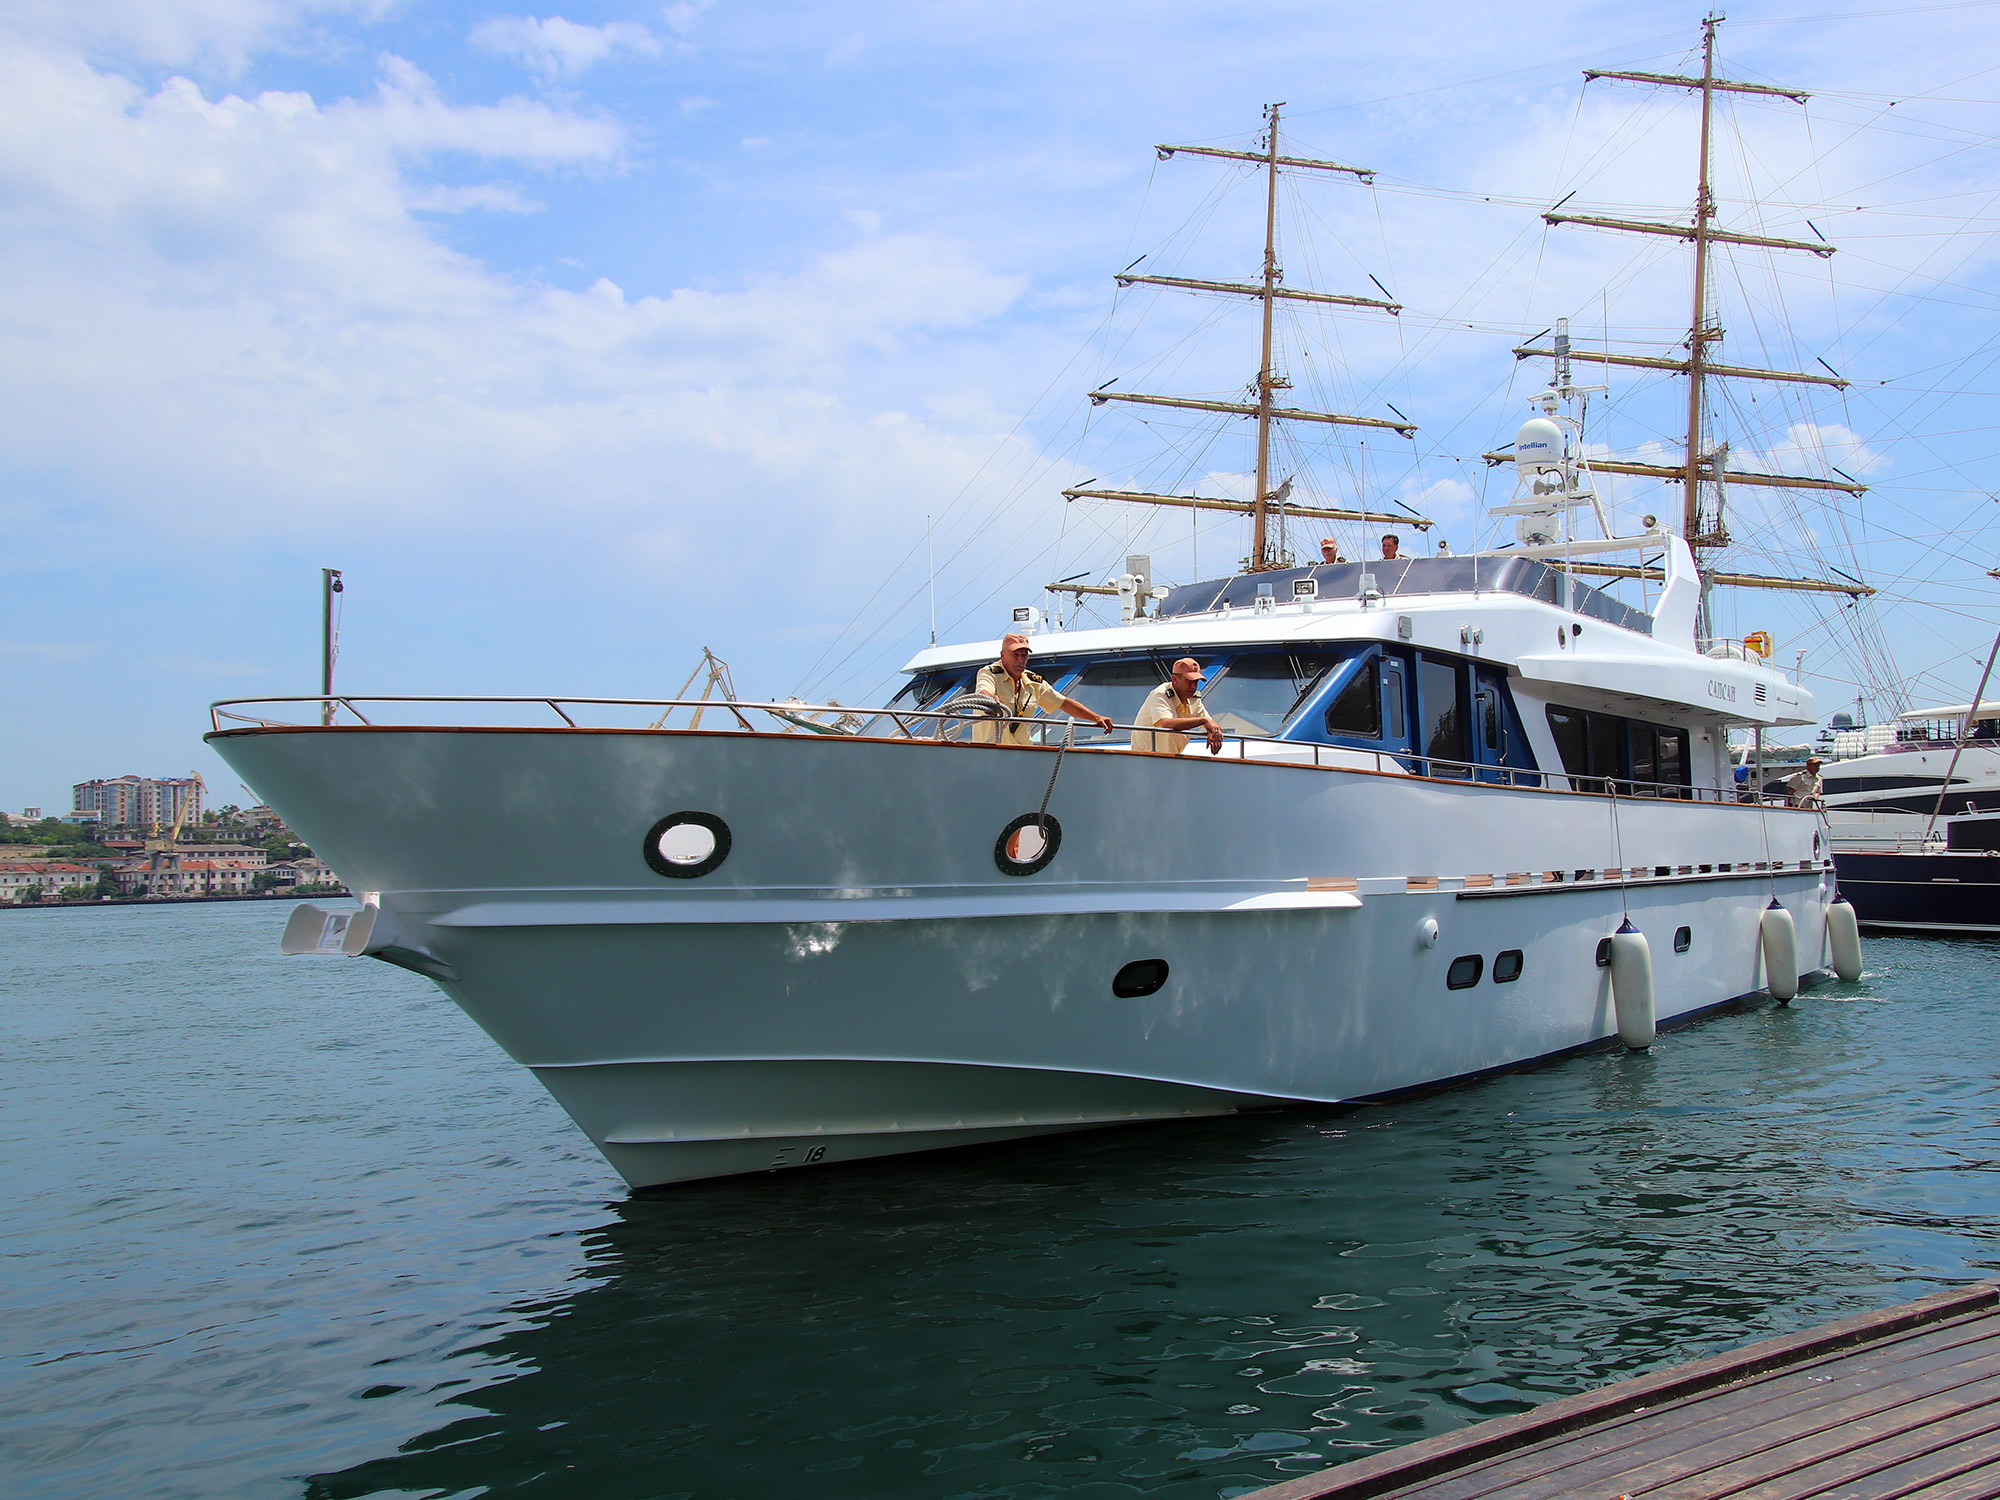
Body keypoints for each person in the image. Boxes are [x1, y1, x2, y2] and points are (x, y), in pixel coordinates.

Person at [972, 632, 1114, 745]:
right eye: (1015, 655)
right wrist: (990, 702)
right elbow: (984, 691)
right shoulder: (989, 673)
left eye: (1024, 655)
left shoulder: (1034, 682)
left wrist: (1096, 717)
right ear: (1003, 655)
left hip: (1023, 754)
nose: (1020, 660)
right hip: (990, 752)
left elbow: (1063, 703)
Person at [1133, 657, 1224, 755]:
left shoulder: (1193, 698)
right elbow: (1166, 722)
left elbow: (1210, 722)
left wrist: (1214, 732)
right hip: (1145, 757)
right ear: (1175, 679)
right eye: (1189, 681)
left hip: (1171, 758)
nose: (1193, 687)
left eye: (1196, 682)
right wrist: (1203, 721)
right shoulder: (1160, 694)